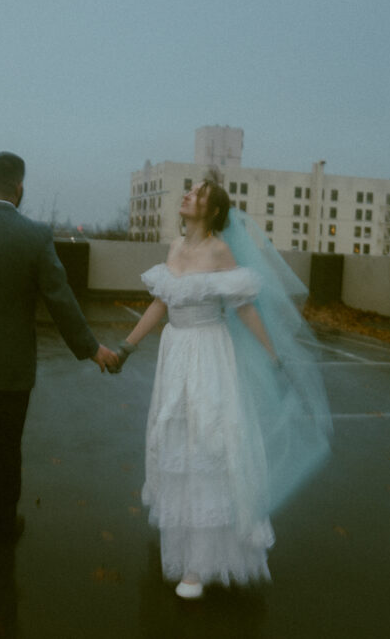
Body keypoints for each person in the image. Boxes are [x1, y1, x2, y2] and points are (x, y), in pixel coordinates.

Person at [112, 169, 331, 600]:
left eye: (199, 194)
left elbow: (245, 309)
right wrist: (126, 348)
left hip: (210, 355)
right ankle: (184, 548)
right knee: (175, 440)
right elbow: (162, 302)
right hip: (175, 355)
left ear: (212, 211)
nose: (189, 194)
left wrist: (272, 354)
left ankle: (200, 564)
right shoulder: (176, 246)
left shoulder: (220, 251)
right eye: (191, 190)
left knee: (208, 445)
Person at [0, 151, 119, 583]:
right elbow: (60, 299)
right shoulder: (34, 236)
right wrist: (92, 349)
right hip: (12, 368)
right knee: (4, 451)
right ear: (19, 188)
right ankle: (0, 528)